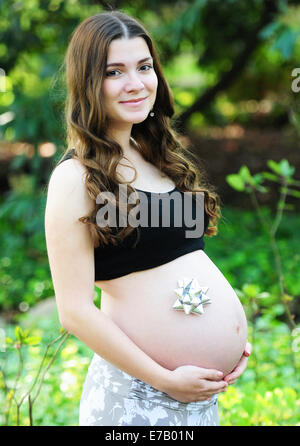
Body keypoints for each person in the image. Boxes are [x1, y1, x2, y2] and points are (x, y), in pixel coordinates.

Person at [45, 10, 251, 426]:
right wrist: (165, 379)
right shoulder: (75, 177)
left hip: (196, 398)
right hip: (138, 398)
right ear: (87, 83)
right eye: (114, 72)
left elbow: (179, 261)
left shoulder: (157, 157)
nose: (136, 83)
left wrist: (229, 344)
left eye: (144, 66)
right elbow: (74, 312)